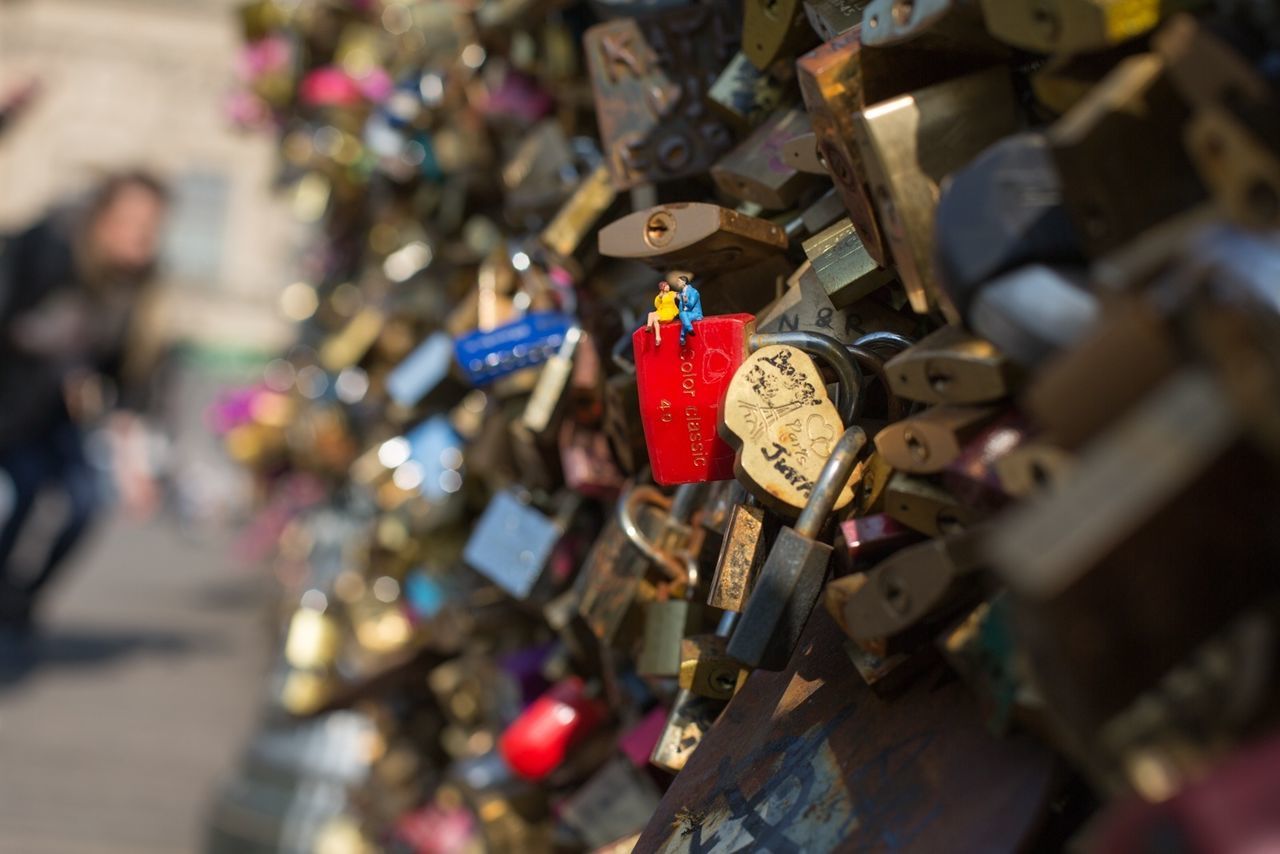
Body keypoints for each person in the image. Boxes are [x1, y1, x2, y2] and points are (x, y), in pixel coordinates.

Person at [0, 170, 170, 631]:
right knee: (18, 493)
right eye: (130, 221)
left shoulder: (135, 288)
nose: (141, 236)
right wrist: (35, 335)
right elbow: (13, 315)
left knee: (86, 502)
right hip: (13, 404)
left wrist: (132, 462)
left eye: (151, 225)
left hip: (59, 414)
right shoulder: (46, 249)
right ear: (102, 216)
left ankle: (21, 599)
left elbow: (129, 377)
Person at [644, 279, 679, 345]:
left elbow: (678, 295)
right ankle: (649, 327)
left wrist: (682, 296)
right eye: (666, 286)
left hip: (669, 313)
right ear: (662, 288)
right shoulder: (659, 296)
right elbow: (657, 305)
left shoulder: (671, 294)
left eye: (668, 286)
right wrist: (659, 298)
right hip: (662, 312)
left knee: (655, 319)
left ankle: (658, 338)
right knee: (650, 314)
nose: (668, 287)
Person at [673, 273, 702, 347]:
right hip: (686, 314)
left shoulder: (693, 292)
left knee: (683, 315)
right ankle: (684, 335)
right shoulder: (681, 293)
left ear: (684, 282)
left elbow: (691, 305)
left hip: (695, 313)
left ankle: (686, 332)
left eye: (678, 282)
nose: (677, 283)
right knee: (683, 316)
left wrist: (684, 300)